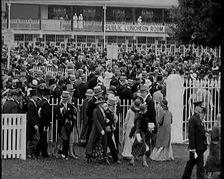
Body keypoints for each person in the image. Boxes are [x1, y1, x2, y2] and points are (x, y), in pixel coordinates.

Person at [182, 101, 207, 179]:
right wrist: (192, 148)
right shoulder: (193, 119)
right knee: (196, 164)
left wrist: (204, 133)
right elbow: (191, 134)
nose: (201, 108)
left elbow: (200, 130)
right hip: (196, 146)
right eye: (200, 106)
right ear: (196, 107)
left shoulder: (197, 118)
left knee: (194, 163)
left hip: (200, 145)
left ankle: (186, 177)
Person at [57, 91, 76, 160]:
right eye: (64, 98)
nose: (65, 99)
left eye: (66, 98)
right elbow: (58, 116)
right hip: (62, 124)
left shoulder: (70, 106)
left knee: (67, 138)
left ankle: (65, 153)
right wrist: (64, 118)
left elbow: (72, 114)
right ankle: (63, 153)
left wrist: (68, 118)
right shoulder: (59, 106)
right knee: (64, 138)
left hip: (68, 125)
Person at [35, 88, 52, 158]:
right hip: (44, 123)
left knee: (43, 138)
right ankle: (37, 152)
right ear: (47, 96)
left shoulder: (39, 102)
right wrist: (48, 123)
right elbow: (46, 115)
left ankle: (44, 153)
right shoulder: (46, 104)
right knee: (43, 138)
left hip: (39, 122)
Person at [205, 113, 221, 178]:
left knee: (215, 159)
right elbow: (216, 137)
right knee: (214, 160)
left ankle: (211, 174)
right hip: (216, 146)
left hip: (215, 145)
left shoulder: (216, 125)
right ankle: (209, 174)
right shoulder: (217, 126)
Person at [26, 89, 39, 158]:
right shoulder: (30, 104)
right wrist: (34, 124)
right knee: (34, 138)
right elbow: (31, 115)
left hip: (33, 123)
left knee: (32, 138)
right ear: (33, 96)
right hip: (31, 124)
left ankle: (30, 152)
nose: (37, 97)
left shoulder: (33, 103)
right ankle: (29, 152)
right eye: (36, 96)